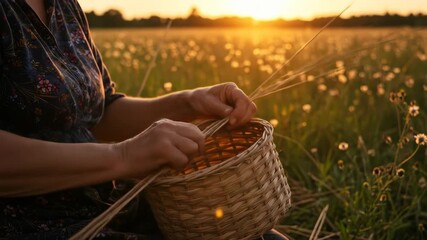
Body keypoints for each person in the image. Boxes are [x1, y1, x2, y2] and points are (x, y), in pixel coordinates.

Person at [0, 0, 288, 239]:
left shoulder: (63, 6)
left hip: (104, 201)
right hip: (32, 223)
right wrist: (123, 156)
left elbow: (101, 113)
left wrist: (189, 102)